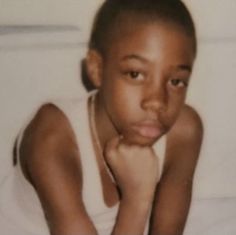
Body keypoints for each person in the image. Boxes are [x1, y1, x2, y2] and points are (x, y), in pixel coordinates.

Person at [0, 0, 203, 234]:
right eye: (135, 74)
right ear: (97, 69)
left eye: (175, 81)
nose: (157, 101)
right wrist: (136, 198)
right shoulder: (51, 139)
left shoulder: (184, 131)